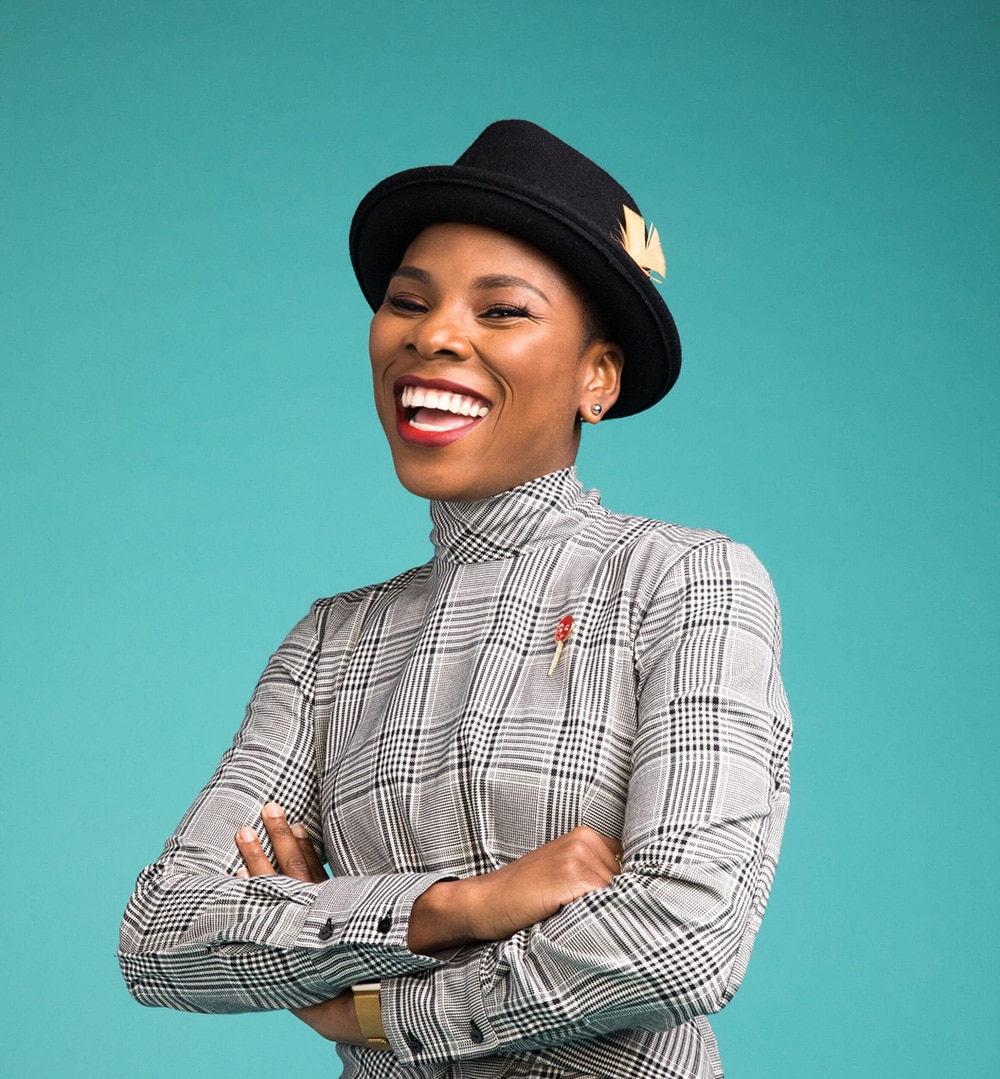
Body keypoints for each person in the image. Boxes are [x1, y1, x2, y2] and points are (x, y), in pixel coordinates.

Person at [119, 120, 792, 1079]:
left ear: (596, 378)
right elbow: (162, 933)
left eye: (503, 310)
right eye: (408, 301)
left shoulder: (684, 580)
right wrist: (460, 906)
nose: (433, 335)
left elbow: (684, 936)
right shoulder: (332, 643)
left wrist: (368, 1011)